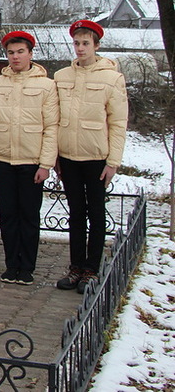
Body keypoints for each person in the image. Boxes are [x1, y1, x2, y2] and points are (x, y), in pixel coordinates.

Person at [0, 31, 59, 286]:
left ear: (30, 54)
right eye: (11, 53)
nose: (15, 57)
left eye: (20, 52)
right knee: (8, 216)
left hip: (31, 162)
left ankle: (27, 267)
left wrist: (45, 164)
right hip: (3, 160)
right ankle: (11, 264)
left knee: (29, 215)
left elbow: (51, 126)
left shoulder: (46, 85)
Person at [54, 20, 128, 293]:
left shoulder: (111, 78)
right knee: (75, 213)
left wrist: (113, 162)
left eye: (86, 43)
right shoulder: (62, 77)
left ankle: (91, 270)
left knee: (96, 214)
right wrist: (56, 158)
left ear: (97, 45)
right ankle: (75, 267)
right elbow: (53, 118)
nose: (81, 48)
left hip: (97, 156)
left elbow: (119, 122)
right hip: (68, 156)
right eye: (77, 43)